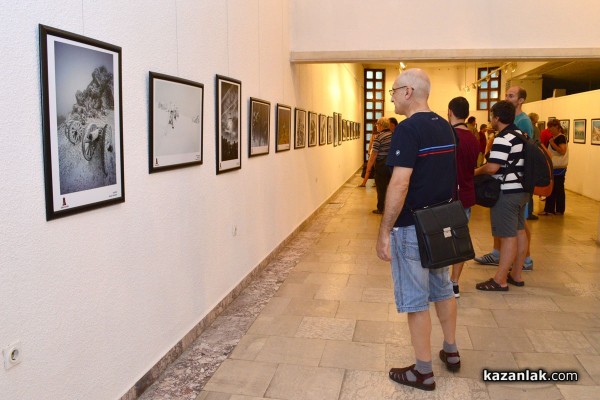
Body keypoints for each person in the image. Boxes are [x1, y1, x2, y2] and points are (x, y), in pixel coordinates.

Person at [376, 69, 460, 391]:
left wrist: (384, 231)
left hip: (412, 226)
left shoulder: (408, 129)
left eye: (394, 91)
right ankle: (450, 351)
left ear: (408, 92)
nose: (392, 97)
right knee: (442, 288)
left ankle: (423, 371)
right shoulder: (444, 126)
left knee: (415, 300)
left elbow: (399, 183)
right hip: (441, 224)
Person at [475, 86, 534, 271]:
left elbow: (492, 168)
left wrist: (475, 172)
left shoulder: (503, 138)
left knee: (508, 236)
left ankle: (500, 279)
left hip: (508, 192)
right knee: (519, 232)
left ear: (497, 118)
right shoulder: (520, 134)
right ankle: (517, 273)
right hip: (522, 189)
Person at [447, 97, 480, 298]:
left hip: (447, 197)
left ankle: (442, 283)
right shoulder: (473, 139)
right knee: (459, 240)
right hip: (466, 195)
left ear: (450, 111)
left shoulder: (449, 135)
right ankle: (454, 283)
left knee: (441, 240)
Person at [358, 117, 392, 214]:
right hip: (393, 166)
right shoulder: (394, 135)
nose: (376, 126)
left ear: (380, 125)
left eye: (377, 124)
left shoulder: (378, 137)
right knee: (391, 188)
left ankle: (381, 208)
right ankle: (391, 209)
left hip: (382, 165)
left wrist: (368, 168)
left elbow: (373, 155)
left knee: (381, 188)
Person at [540, 120, 568, 215]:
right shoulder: (554, 137)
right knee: (553, 188)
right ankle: (551, 209)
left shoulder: (560, 138)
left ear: (557, 127)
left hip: (558, 168)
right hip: (554, 167)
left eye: (551, 128)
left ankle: (557, 210)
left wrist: (552, 144)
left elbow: (562, 151)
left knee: (558, 188)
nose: (549, 130)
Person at [526, 112, 541, 220]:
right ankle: (528, 212)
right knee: (529, 189)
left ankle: (527, 211)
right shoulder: (535, 129)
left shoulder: (531, 128)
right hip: (532, 159)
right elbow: (537, 143)